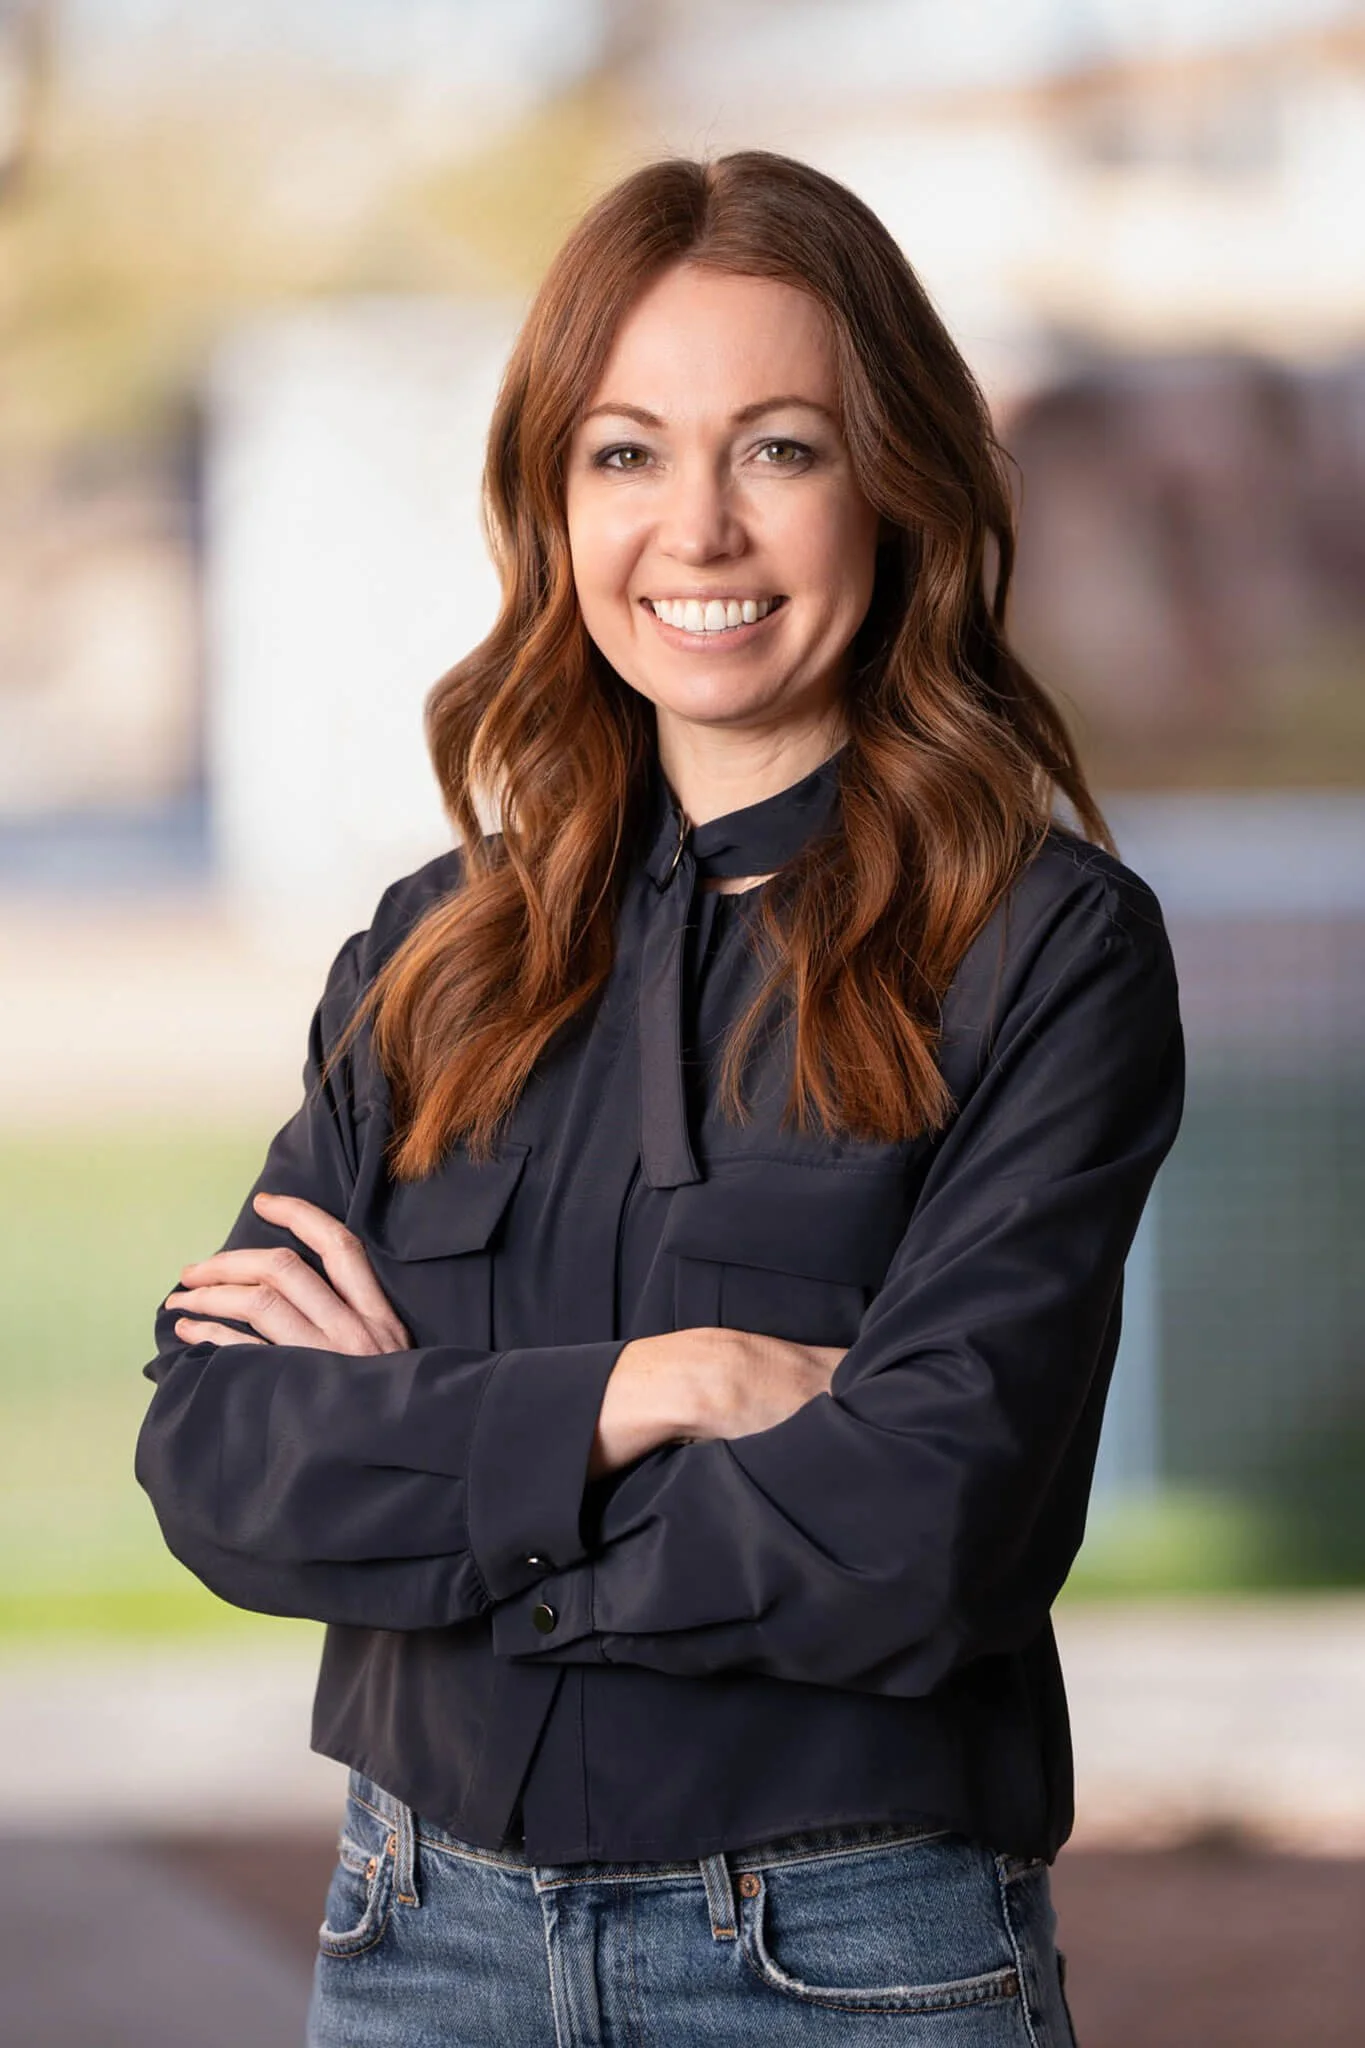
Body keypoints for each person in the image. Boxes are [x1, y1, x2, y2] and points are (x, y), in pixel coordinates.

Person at [136, 150, 1184, 2046]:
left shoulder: (1048, 951)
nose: (697, 528)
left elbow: (920, 1536)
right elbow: (216, 1462)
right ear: (554, 504)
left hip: (850, 1957)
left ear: (900, 489)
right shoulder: (431, 956)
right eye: (626, 453)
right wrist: (641, 1397)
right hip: (416, 1940)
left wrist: (439, 1491)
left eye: (779, 448)